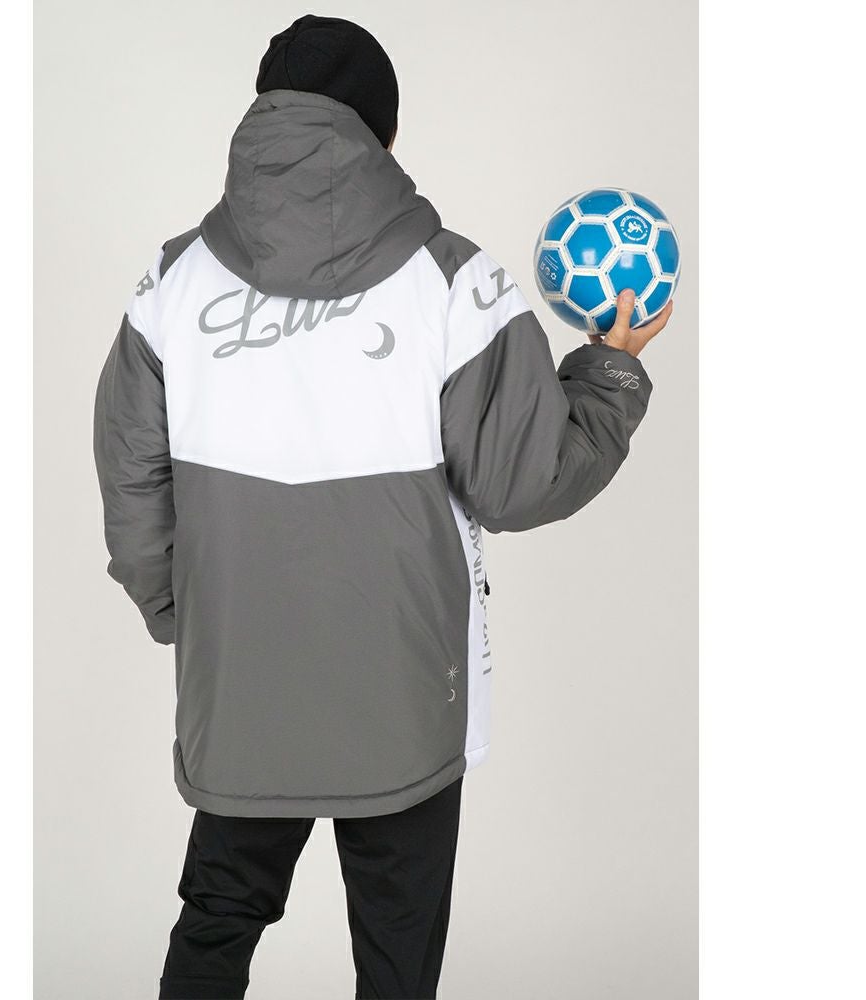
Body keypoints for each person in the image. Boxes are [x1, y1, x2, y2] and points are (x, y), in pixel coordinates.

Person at [93, 13, 670, 1000]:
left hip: (243, 687)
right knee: (398, 959)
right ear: (385, 135)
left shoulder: (169, 283)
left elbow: (128, 479)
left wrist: (184, 616)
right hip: (405, 696)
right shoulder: (456, 282)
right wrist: (610, 369)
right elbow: (521, 481)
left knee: (219, 916)